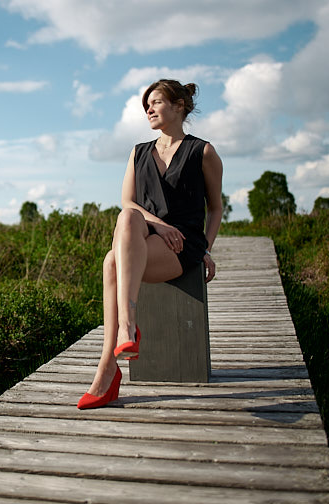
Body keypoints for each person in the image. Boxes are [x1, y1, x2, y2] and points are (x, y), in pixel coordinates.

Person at [77, 79, 223, 409]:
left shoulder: (203, 152)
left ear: (179, 106)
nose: (149, 109)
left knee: (112, 262)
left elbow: (215, 208)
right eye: (147, 105)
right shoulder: (138, 152)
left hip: (181, 245)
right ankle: (126, 328)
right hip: (148, 234)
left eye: (156, 102)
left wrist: (207, 250)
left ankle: (107, 368)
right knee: (126, 220)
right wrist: (158, 224)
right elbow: (128, 202)